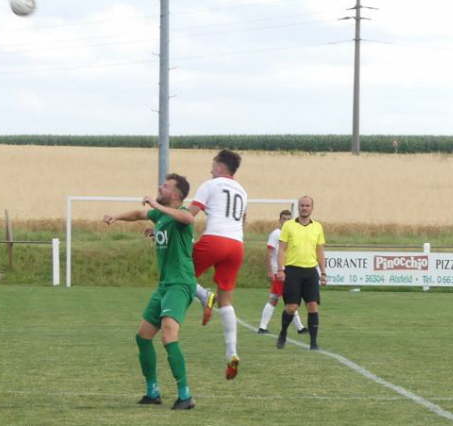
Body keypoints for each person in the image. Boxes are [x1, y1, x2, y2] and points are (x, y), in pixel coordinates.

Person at [103, 173, 196, 410]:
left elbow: (188, 219)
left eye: (165, 186)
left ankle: (185, 395)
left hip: (180, 284)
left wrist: (156, 205)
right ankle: (152, 392)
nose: (159, 188)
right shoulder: (162, 217)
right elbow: (138, 214)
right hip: (164, 285)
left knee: (168, 335)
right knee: (143, 336)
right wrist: (116, 217)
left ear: (175, 195)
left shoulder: (180, 214)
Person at [188, 149, 247, 380]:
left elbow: (190, 214)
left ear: (221, 167)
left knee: (177, 272)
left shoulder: (210, 185)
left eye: (213, 165)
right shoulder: (242, 190)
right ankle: (232, 352)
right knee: (227, 301)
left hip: (215, 239)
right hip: (237, 245)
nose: (210, 170)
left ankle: (203, 295)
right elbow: (243, 220)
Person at [275, 196, 327, 351]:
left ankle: (313, 342)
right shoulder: (289, 226)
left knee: (312, 306)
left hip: (311, 271)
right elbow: (282, 249)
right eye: (302, 205)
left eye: (307, 205)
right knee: (291, 307)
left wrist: (323, 272)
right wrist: (280, 269)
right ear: (298, 208)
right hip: (293, 271)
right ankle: (283, 333)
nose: (304, 208)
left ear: (312, 208)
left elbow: (320, 251)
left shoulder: (318, 227)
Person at [257, 209, 308, 335]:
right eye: (284, 219)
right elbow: (269, 253)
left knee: (288, 300)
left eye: (288, 219)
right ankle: (263, 327)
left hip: (289, 272)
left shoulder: (291, 234)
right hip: (278, 272)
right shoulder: (276, 234)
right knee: (277, 299)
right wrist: (270, 271)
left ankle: (299, 328)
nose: (286, 222)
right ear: (279, 220)